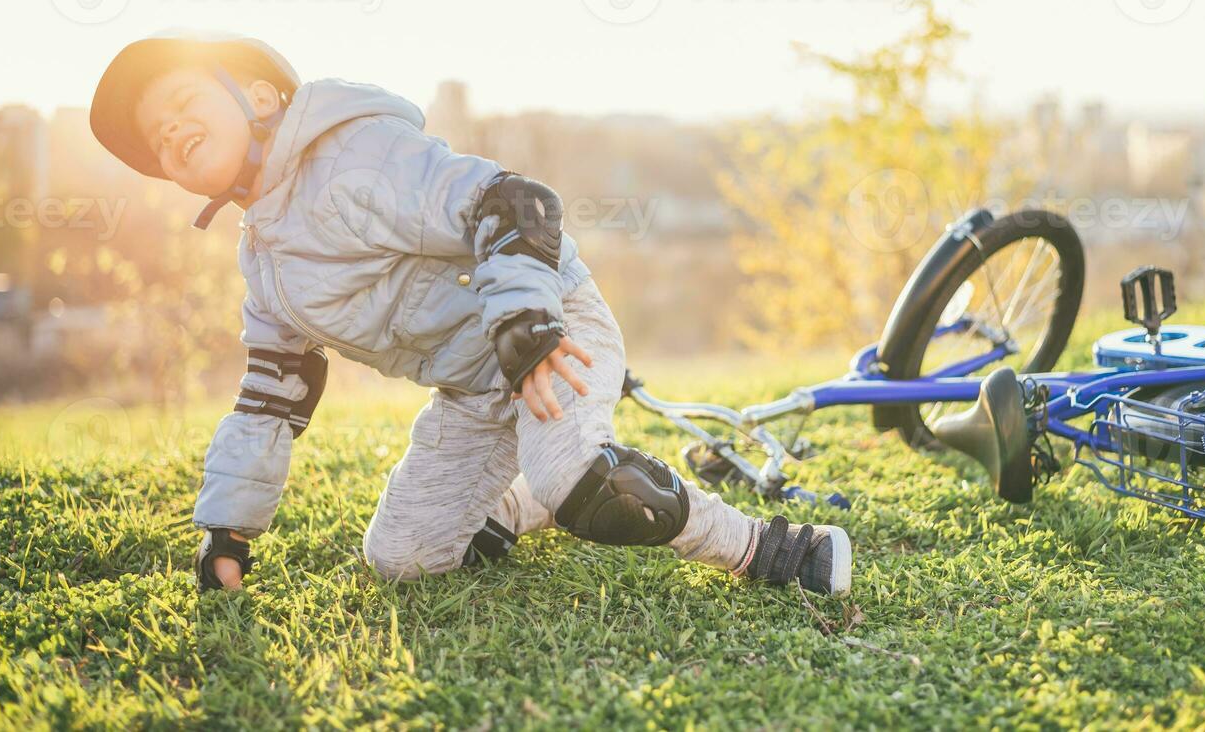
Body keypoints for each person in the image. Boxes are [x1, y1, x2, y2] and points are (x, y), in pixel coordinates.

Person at [87, 33, 852, 596]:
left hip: (553, 332)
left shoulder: (356, 156)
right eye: (159, 139)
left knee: (587, 481)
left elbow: (515, 202)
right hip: (474, 391)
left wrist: (526, 325)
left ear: (256, 95)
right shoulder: (267, 264)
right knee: (402, 560)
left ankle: (772, 548)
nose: (172, 133)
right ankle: (522, 506)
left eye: (183, 104)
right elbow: (270, 396)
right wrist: (229, 529)